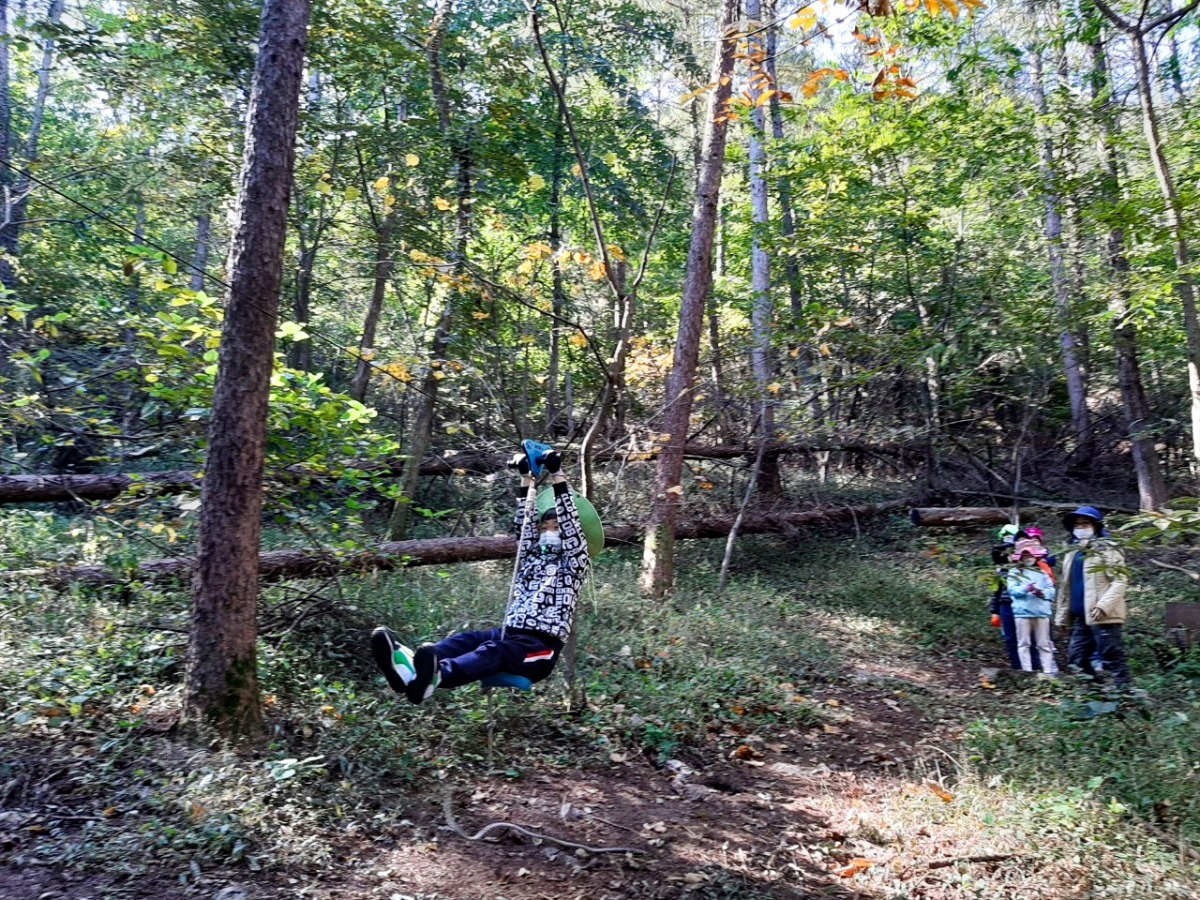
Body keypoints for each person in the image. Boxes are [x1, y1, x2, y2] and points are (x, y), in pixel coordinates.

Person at [370, 445, 591, 704]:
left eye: (557, 527)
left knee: (495, 651)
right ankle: (409, 668)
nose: (550, 531)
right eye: (546, 526)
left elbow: (573, 526)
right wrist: (526, 478)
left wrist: (557, 474)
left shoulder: (574, 561)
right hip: (511, 632)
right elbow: (524, 526)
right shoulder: (533, 555)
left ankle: (438, 676)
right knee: (469, 640)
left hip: (539, 648)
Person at [1054, 506, 1131, 685]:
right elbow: (1066, 587)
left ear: (1095, 526)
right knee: (1077, 659)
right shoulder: (1072, 552)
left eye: (1085, 523)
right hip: (1081, 616)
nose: (1081, 528)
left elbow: (1120, 581)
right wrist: (1063, 617)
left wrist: (1104, 606)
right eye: (1078, 524)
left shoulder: (1108, 549)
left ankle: (1124, 699)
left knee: (1112, 659)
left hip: (1103, 616)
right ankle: (1095, 696)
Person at [1006, 538, 1058, 675]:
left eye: (1030, 555)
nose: (1028, 558)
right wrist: (1025, 588)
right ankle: (1027, 671)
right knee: (1024, 643)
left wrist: (1042, 593)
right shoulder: (1014, 573)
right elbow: (1012, 590)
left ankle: (1047, 671)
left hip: (1041, 612)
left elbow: (1051, 591)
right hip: (1022, 612)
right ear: (1020, 557)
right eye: (1025, 555)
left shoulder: (1042, 573)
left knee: (1044, 643)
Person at [989, 524, 1026, 670]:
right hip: (1006, 604)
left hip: (1024, 605)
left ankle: (1031, 666)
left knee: (1026, 638)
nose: (1009, 555)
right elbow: (996, 592)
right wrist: (994, 611)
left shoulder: (1027, 568)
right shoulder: (1002, 570)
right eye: (1006, 552)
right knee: (1011, 638)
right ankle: (1017, 667)